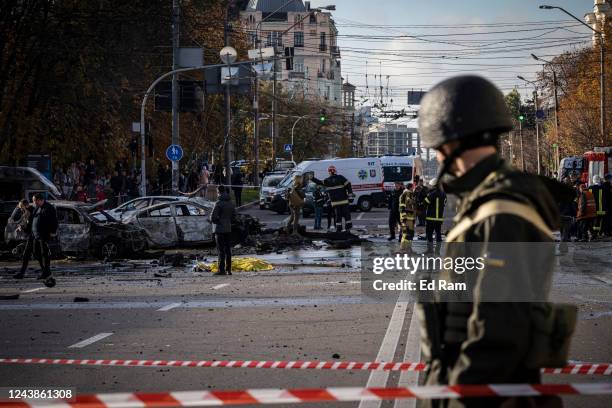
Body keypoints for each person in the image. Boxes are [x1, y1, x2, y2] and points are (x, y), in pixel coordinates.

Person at [416, 75, 572, 408]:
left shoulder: (501, 212)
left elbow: (497, 331)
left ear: (451, 142)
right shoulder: (486, 202)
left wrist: (461, 400)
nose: (439, 159)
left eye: (438, 149)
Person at [312, 165, 353, 233]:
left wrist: (312, 178)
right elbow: (349, 185)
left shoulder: (327, 181)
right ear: (335, 171)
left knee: (338, 216)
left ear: (329, 172)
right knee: (347, 215)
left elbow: (319, 182)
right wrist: (350, 196)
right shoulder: (341, 177)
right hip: (344, 201)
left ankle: (339, 230)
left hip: (335, 203)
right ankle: (348, 229)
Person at [30, 193, 58, 280]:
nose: (34, 203)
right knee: (35, 253)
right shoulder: (37, 208)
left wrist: (52, 231)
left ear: (40, 200)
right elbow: (33, 219)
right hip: (36, 235)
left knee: (44, 254)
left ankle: (46, 272)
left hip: (44, 235)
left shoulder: (49, 208)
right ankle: (46, 271)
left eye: (35, 201)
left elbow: (54, 221)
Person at [210, 185, 236, 276]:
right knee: (228, 249)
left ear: (219, 192)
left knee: (221, 250)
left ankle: (221, 270)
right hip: (228, 229)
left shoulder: (218, 203)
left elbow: (213, 217)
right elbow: (234, 217)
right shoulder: (231, 203)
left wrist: (218, 221)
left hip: (219, 229)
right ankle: (229, 269)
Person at [12, 199, 34, 279]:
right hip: (33, 236)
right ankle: (22, 273)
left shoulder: (29, 212)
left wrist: (21, 228)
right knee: (32, 255)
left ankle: (22, 273)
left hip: (34, 236)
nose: (21, 209)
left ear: (26, 205)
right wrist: (20, 226)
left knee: (27, 255)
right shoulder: (29, 211)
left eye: (21, 207)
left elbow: (29, 228)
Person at [424, 177, 446, 252]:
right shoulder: (443, 194)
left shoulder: (432, 193)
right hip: (439, 218)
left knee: (429, 233)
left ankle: (429, 250)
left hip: (431, 218)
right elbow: (444, 203)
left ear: (434, 185)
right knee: (438, 233)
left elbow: (425, 202)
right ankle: (438, 250)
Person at [398, 182, 416, 250]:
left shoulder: (410, 195)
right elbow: (401, 207)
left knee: (410, 234)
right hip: (406, 218)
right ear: (410, 187)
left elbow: (413, 207)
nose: (413, 189)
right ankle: (403, 248)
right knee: (406, 233)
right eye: (412, 187)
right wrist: (404, 217)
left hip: (410, 218)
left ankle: (408, 248)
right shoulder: (404, 195)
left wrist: (414, 218)